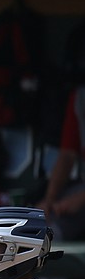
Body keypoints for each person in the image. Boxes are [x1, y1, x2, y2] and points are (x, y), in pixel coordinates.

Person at [38, 85, 85, 240]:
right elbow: (67, 154)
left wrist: (81, 198)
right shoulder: (80, 96)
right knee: (38, 226)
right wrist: (50, 198)